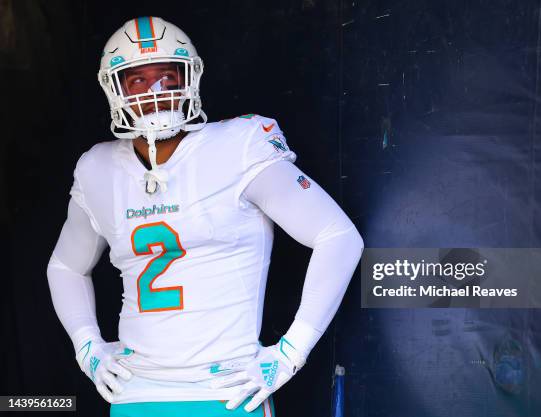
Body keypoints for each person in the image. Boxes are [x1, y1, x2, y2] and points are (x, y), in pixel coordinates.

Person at [47, 16, 364, 417]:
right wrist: (86, 343)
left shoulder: (238, 146)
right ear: (115, 89)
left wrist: (291, 352)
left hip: (225, 389)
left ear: (189, 79)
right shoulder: (98, 168)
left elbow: (338, 236)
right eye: (137, 80)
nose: (155, 92)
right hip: (136, 392)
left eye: (166, 75)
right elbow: (65, 266)